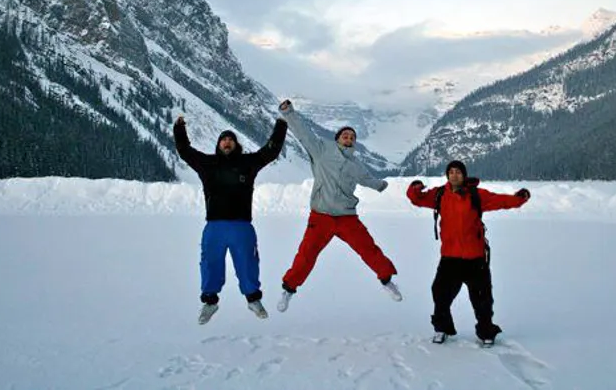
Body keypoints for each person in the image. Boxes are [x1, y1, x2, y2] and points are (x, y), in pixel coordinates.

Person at [275, 99, 401, 312]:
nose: (348, 138)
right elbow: (304, 133)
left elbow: (367, 179)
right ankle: (288, 290)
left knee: (368, 249)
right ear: (337, 138)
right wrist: (289, 113)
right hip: (321, 216)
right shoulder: (321, 151)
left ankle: (387, 281)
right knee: (306, 255)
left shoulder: (356, 164)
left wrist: (382, 185)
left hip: (346, 217)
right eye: (345, 135)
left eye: (352, 136)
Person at [173, 114, 287, 325]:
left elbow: (270, 151)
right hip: (214, 225)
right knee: (209, 263)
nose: (227, 142)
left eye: (231, 139)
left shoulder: (248, 163)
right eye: (223, 139)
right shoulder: (207, 164)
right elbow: (185, 152)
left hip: (241, 226)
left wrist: (281, 125)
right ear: (218, 144)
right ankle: (210, 302)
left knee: (248, 263)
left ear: (236, 144)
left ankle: (253, 299)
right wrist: (179, 129)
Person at [406, 160, 530, 345]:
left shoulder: (476, 195)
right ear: (447, 175)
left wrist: (519, 198)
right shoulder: (440, 194)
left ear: (464, 175)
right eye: (451, 172)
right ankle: (442, 329)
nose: (454, 175)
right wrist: (414, 188)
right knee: (440, 293)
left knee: (482, 299)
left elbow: (500, 201)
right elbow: (417, 199)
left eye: (458, 172)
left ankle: (486, 332)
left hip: (475, 258)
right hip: (450, 257)